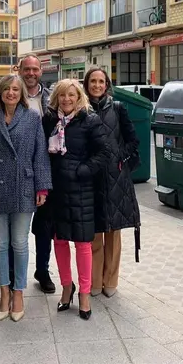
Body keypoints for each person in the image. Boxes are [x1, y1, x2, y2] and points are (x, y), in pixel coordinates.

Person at [33, 79, 110, 320]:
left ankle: (84, 293)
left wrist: (82, 171)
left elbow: (104, 153)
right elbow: (39, 152)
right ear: (56, 97)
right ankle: (67, 287)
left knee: (82, 244)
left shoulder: (89, 119)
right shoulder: (48, 120)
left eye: (71, 95)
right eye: (62, 95)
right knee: (59, 240)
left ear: (79, 97)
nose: (67, 99)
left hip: (80, 191)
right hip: (54, 190)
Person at [0, 74, 51, 322]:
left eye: (16, 89)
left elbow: (40, 153)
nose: (11, 93)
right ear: (0, 92)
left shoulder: (32, 118)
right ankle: (4, 292)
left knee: (19, 243)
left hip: (24, 186)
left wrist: (42, 188)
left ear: (21, 94)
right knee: (0, 243)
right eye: (7, 89)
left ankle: (18, 292)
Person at [84, 68, 141, 298]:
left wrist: (120, 158)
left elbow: (133, 140)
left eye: (101, 81)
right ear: (86, 84)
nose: (97, 85)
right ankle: (95, 282)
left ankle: (111, 281)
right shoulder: (81, 109)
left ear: (106, 84)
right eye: (93, 81)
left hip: (116, 178)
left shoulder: (117, 108)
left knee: (114, 233)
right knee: (95, 232)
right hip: (92, 177)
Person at [16, 54, 56, 294]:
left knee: (45, 225)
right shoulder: (9, 93)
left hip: (45, 169)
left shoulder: (51, 98)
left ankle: (42, 270)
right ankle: (12, 274)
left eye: (35, 70)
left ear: (41, 71)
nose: (31, 73)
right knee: (15, 228)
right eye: (26, 69)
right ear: (19, 70)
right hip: (17, 170)